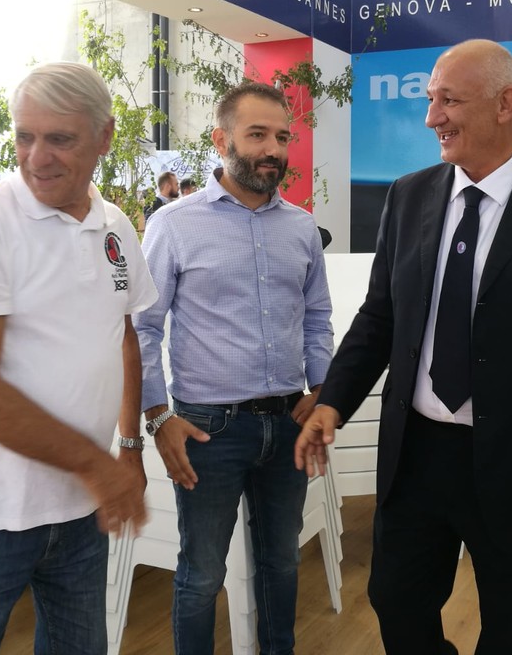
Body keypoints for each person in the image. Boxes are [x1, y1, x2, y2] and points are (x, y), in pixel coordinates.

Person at [295, 39, 512, 655]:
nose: (432, 117)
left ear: (505, 104)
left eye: (449, 101)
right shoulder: (408, 195)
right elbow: (380, 316)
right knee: (396, 600)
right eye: (431, 100)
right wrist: (333, 400)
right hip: (416, 453)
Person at [0, 62, 158, 654]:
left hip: (80, 511)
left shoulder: (115, 226)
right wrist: (98, 466)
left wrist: (129, 445)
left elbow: (122, 335)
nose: (36, 157)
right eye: (25, 136)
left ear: (104, 137)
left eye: (59, 139)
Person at [135, 82, 333, 655]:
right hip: (207, 430)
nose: (273, 149)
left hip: (289, 424)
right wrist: (157, 416)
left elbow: (317, 316)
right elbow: (144, 327)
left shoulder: (301, 227)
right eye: (257, 135)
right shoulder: (174, 224)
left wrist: (323, 390)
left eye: (282, 137)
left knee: (282, 563)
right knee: (201, 574)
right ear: (221, 140)